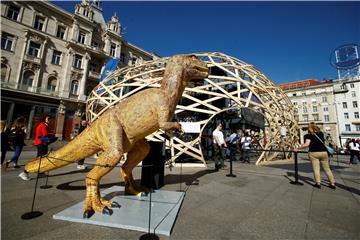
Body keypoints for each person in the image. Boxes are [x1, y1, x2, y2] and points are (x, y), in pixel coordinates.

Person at [294, 122, 336, 189]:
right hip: (324, 152)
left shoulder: (309, 135)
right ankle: (332, 183)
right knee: (327, 169)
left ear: (309, 128)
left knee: (316, 169)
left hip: (314, 153)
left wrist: (297, 148)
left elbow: (306, 144)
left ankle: (318, 183)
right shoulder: (321, 134)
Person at [19, 115, 55, 181]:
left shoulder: (44, 125)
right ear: (44, 119)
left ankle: (40, 172)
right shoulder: (43, 125)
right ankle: (25, 172)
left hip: (42, 143)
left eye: (50, 119)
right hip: (41, 143)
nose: (49, 120)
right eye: (48, 119)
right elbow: (45, 134)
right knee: (39, 158)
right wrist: (53, 134)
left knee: (42, 158)